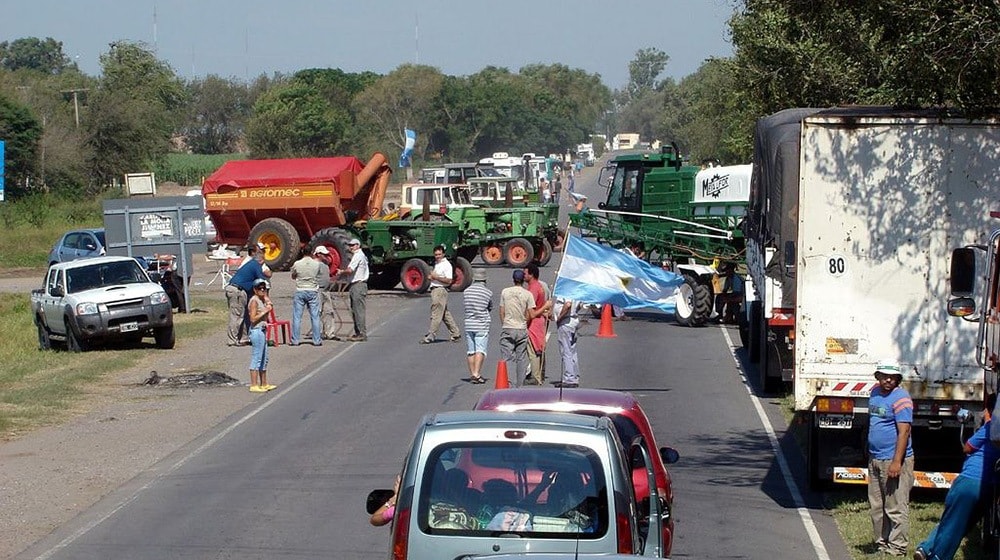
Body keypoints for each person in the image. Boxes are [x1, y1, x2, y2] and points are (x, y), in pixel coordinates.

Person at [915, 394, 998, 560]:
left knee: (951, 522)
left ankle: (935, 554)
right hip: (990, 486)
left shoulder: (990, 428)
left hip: (969, 481)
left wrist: (988, 420)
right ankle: (926, 548)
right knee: (963, 523)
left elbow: (967, 447)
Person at [868, 358, 914, 557]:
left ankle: (897, 547)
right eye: (884, 376)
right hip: (875, 458)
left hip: (893, 460)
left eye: (892, 377)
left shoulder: (901, 398)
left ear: (897, 379)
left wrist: (897, 461)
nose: (888, 380)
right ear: (878, 377)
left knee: (895, 506)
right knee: (877, 506)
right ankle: (882, 543)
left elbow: (904, 432)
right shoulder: (874, 393)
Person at [499, 269, 545, 388]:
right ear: (523, 280)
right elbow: (531, 313)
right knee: (521, 358)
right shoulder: (527, 294)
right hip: (521, 328)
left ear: (513, 279)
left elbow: (502, 311)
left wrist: (505, 323)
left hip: (508, 326)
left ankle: (510, 382)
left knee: (508, 357)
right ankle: (519, 384)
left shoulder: (505, 292)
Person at [226, 243, 272, 346]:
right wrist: (266, 298)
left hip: (239, 290)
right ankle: (232, 340)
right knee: (236, 315)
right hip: (237, 290)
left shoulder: (251, 264)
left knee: (242, 314)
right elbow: (261, 282)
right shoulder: (255, 265)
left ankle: (243, 338)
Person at [421, 245, 461, 344]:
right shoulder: (438, 264)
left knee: (436, 312)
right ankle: (455, 333)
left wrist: (435, 277)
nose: (437, 256)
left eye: (439, 254)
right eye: (436, 254)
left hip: (440, 290)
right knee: (444, 313)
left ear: (443, 254)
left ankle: (431, 334)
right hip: (435, 289)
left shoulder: (446, 265)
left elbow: (449, 280)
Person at [290, 246, 327, 347]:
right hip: (312, 289)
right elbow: (318, 274)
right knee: (315, 316)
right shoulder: (316, 264)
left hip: (301, 289)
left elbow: (293, 275)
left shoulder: (297, 264)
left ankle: (295, 340)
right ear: (311, 252)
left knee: (297, 316)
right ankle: (316, 340)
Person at [462, 268, 493, 384]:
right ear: (484, 280)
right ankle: (476, 373)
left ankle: (472, 373)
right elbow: (489, 307)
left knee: (471, 351)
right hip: (482, 324)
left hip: (469, 323)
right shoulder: (487, 293)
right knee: (480, 349)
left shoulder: (466, 291)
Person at [337, 238, 369, 342]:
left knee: (358, 310)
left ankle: (361, 333)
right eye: (350, 245)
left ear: (358, 245)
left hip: (358, 285)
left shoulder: (358, 255)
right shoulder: (361, 255)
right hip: (357, 285)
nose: (351, 247)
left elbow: (350, 270)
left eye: (353, 245)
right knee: (355, 309)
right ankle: (358, 332)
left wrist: (341, 272)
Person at [247, 278, 275, 392]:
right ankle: (254, 384)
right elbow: (252, 319)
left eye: (264, 288)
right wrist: (264, 312)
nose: (262, 290)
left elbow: (270, 303)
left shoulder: (262, 299)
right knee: (257, 357)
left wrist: (267, 299)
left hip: (263, 330)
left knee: (264, 358)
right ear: (255, 290)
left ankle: (264, 383)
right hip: (257, 331)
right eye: (260, 288)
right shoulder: (254, 301)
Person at [524, 263, 550, 385]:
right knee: (539, 348)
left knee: (533, 350)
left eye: (525, 273)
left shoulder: (533, 288)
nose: (524, 276)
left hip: (534, 322)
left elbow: (532, 309)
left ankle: (536, 376)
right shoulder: (539, 286)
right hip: (540, 321)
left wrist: (526, 320)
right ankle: (540, 374)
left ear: (531, 274)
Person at [553, 294, 582, 388]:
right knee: (572, 350)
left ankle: (569, 378)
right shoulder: (575, 290)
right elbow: (580, 305)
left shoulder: (567, 290)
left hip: (566, 322)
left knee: (566, 350)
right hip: (573, 321)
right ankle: (575, 375)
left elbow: (568, 304)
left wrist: (559, 317)